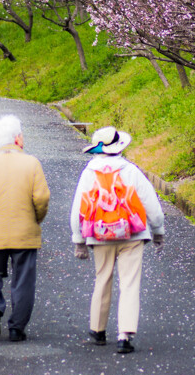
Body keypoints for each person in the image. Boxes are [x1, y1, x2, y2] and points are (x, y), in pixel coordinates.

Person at [70, 126, 165, 354]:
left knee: (102, 278)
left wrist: (79, 240)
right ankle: (124, 335)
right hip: (131, 234)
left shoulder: (89, 172)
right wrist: (158, 231)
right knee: (130, 283)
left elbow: (78, 208)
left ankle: (98, 330)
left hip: (99, 234)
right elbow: (151, 203)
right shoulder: (131, 171)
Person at [0, 114, 50, 342]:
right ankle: (17, 326)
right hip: (25, 232)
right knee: (23, 278)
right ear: (17, 138)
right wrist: (37, 218)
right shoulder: (32, 163)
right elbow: (42, 197)